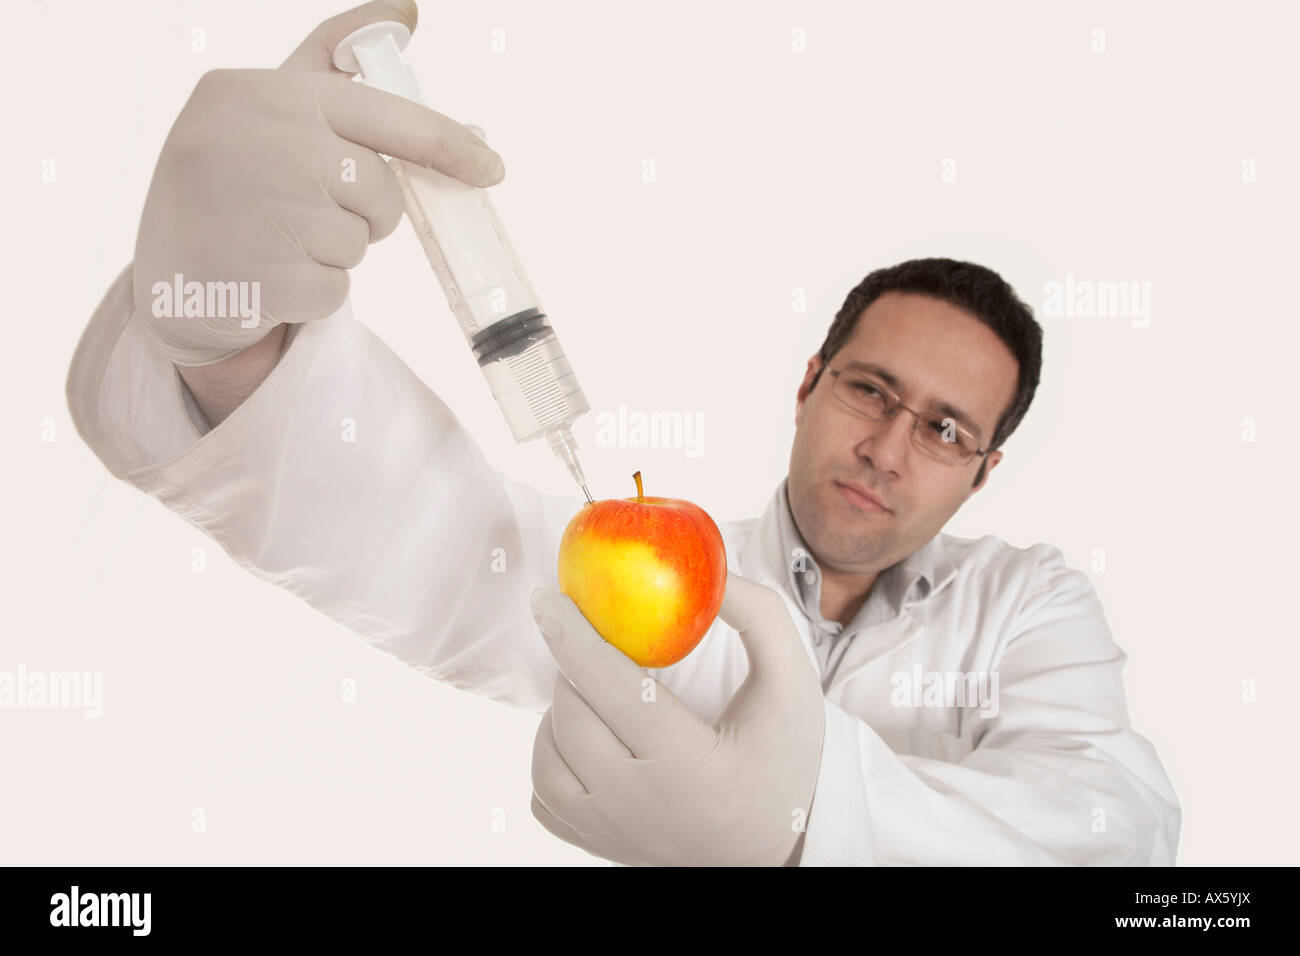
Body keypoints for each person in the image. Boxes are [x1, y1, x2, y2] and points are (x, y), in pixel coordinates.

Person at [65, 0, 1180, 866]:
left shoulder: (1030, 604)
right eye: (869, 389)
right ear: (808, 381)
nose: (888, 447)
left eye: (943, 428)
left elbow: (1112, 828)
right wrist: (222, 331)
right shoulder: (660, 569)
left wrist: (800, 819)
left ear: (985, 473)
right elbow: (438, 542)